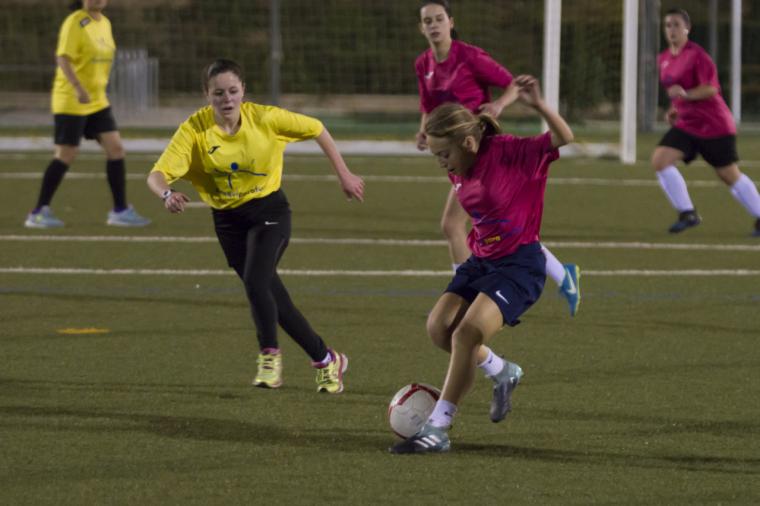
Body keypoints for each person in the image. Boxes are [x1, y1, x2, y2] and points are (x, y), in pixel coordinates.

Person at [147, 59, 364, 393]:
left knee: (256, 281)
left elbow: (317, 128)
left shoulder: (265, 118)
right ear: (207, 94)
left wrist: (344, 174)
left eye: (233, 91)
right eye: (218, 93)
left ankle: (269, 356)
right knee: (273, 298)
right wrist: (166, 194)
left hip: (270, 210)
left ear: (243, 91)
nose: (227, 99)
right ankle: (326, 359)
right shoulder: (194, 130)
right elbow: (156, 174)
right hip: (228, 223)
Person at [390, 75, 573, 454]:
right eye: (436, 155)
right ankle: (501, 371)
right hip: (482, 262)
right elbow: (454, 221)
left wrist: (539, 106)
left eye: (444, 154)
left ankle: (438, 428)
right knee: (440, 329)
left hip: (519, 267)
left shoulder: (509, 153)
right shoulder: (458, 167)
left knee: (466, 334)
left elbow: (563, 138)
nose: (441, 163)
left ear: (469, 142)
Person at [415, 0, 581, 315]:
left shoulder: (470, 57)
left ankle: (466, 291)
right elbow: (428, 106)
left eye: (439, 19)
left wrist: (499, 105)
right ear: (421, 27)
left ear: (451, 22)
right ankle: (562, 277)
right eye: (428, 21)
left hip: (480, 153)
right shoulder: (423, 64)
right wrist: (424, 130)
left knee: (464, 225)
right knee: (482, 226)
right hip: (457, 155)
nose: (434, 25)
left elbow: (514, 85)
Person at [24, 0, 150, 229]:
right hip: (72, 98)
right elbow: (63, 57)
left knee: (116, 148)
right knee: (66, 154)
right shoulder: (75, 22)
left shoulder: (106, 23)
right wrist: (78, 87)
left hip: (97, 101)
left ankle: (120, 211)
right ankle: (38, 212)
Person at [652, 8, 760, 236]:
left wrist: (686, 95)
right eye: (668, 25)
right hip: (687, 125)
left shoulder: (697, 55)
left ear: (687, 28)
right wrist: (674, 109)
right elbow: (678, 93)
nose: (671, 30)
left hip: (714, 125)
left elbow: (711, 88)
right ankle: (687, 213)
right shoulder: (663, 59)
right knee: (660, 160)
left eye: (676, 25)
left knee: (728, 174)